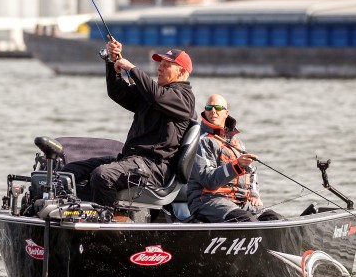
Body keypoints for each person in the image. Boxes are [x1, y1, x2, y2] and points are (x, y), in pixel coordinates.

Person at [62, 38, 196, 210]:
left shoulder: (184, 98)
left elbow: (157, 96)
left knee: (103, 175)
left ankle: (106, 226)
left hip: (154, 168)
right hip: (131, 161)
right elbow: (118, 92)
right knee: (71, 171)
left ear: (182, 72)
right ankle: (69, 215)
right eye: (160, 64)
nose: (159, 68)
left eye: (166, 65)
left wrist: (131, 69)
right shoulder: (154, 93)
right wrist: (113, 63)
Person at [186, 94, 283, 222]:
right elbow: (207, 179)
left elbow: (251, 171)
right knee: (247, 221)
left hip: (238, 201)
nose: (213, 111)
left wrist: (254, 194)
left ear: (226, 113)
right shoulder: (202, 141)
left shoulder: (235, 142)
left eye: (218, 108)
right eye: (209, 107)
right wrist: (236, 165)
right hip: (208, 200)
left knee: (274, 218)